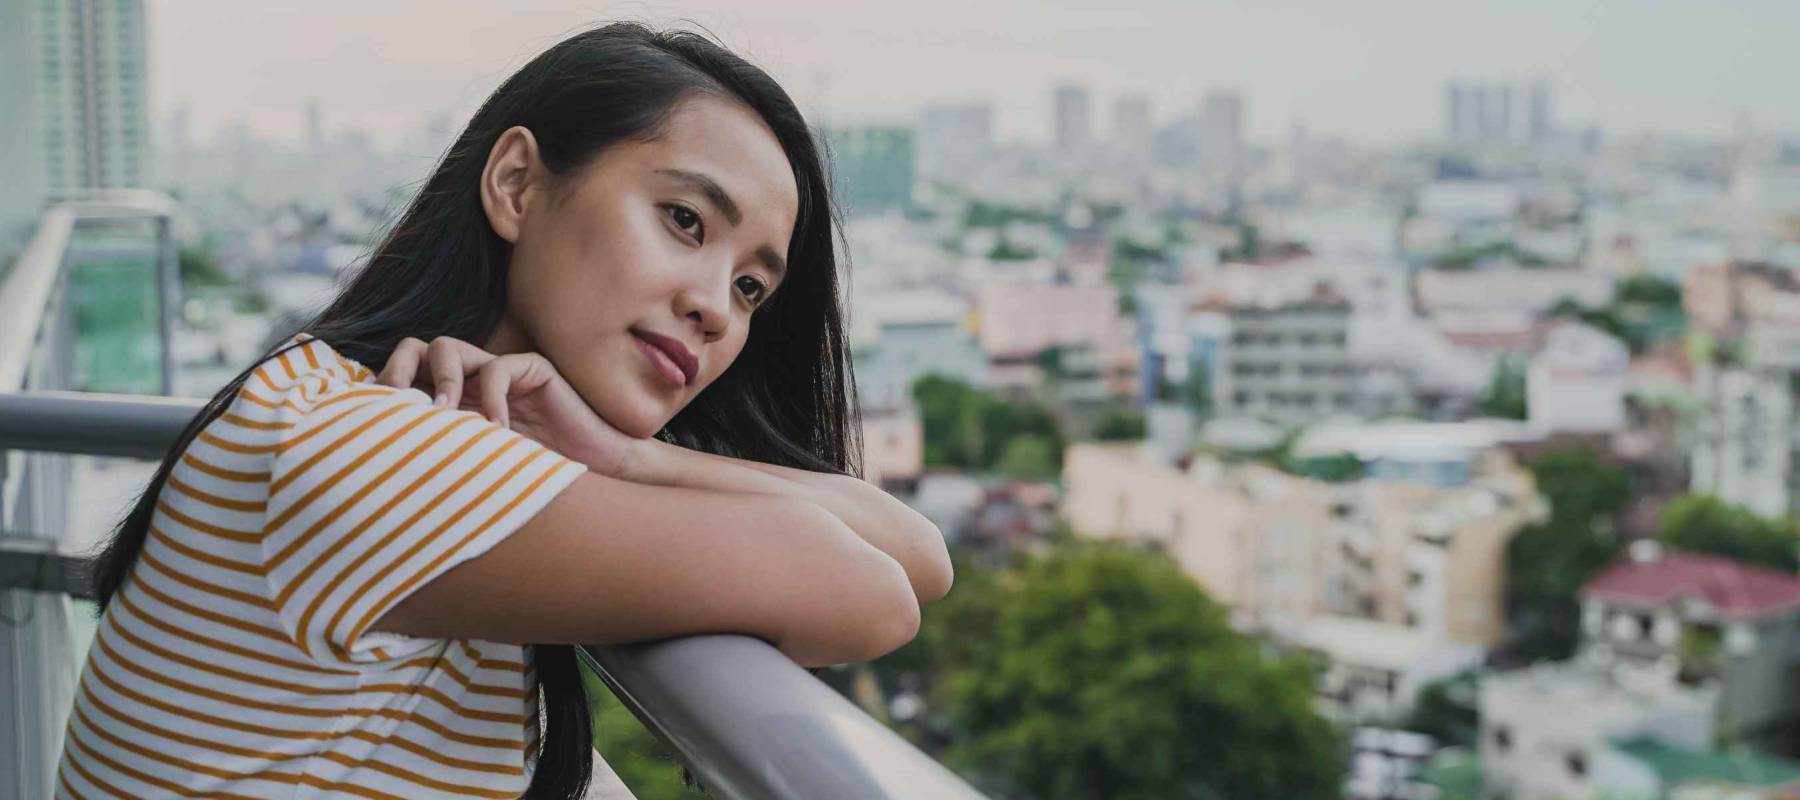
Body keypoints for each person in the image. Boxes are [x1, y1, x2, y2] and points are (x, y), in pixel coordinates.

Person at [57, 22, 951, 800]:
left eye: (753, 287)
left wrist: (624, 457)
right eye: (684, 220)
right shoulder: (361, 447)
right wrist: (621, 462)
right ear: (518, 184)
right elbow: (867, 595)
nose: (719, 307)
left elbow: (921, 559)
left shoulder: (372, 409)